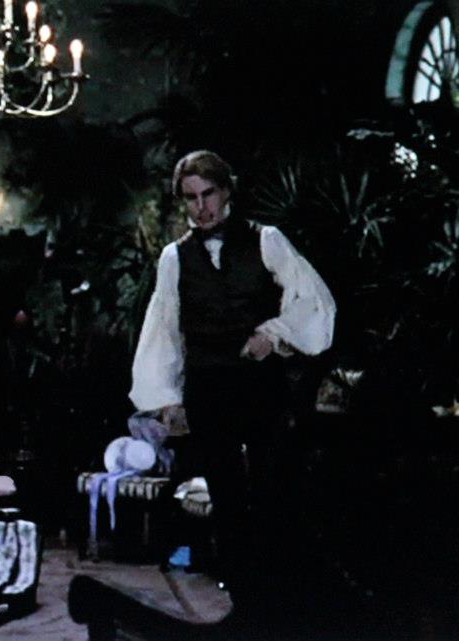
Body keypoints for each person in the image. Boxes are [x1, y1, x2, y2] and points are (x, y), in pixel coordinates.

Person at [128, 150, 336, 635]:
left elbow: (315, 301)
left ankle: (280, 608)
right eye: (191, 199)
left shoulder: (267, 240)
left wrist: (274, 333)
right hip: (209, 390)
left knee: (273, 494)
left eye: (209, 195)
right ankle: (243, 610)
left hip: (261, 387)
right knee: (227, 501)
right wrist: (167, 398)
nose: (202, 208)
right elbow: (163, 329)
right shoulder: (175, 257)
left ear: (226, 192)